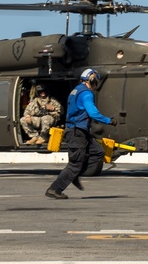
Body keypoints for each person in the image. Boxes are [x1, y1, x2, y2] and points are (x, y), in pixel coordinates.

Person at [45, 68, 115, 200]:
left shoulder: (76, 90)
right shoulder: (87, 94)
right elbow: (93, 113)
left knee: (98, 152)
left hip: (80, 131)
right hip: (77, 132)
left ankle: (75, 174)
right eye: (96, 82)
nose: (96, 85)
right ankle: (55, 189)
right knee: (75, 164)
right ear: (92, 80)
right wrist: (109, 121)